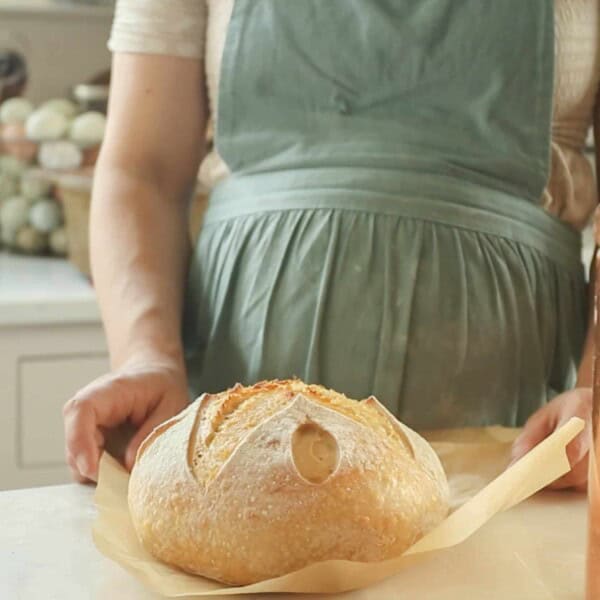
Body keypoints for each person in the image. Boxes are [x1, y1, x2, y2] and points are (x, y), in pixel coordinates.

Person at [63, 0, 599, 491]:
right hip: (233, 422)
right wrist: (147, 355)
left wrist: (594, 385)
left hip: (517, 444)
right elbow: (143, 171)